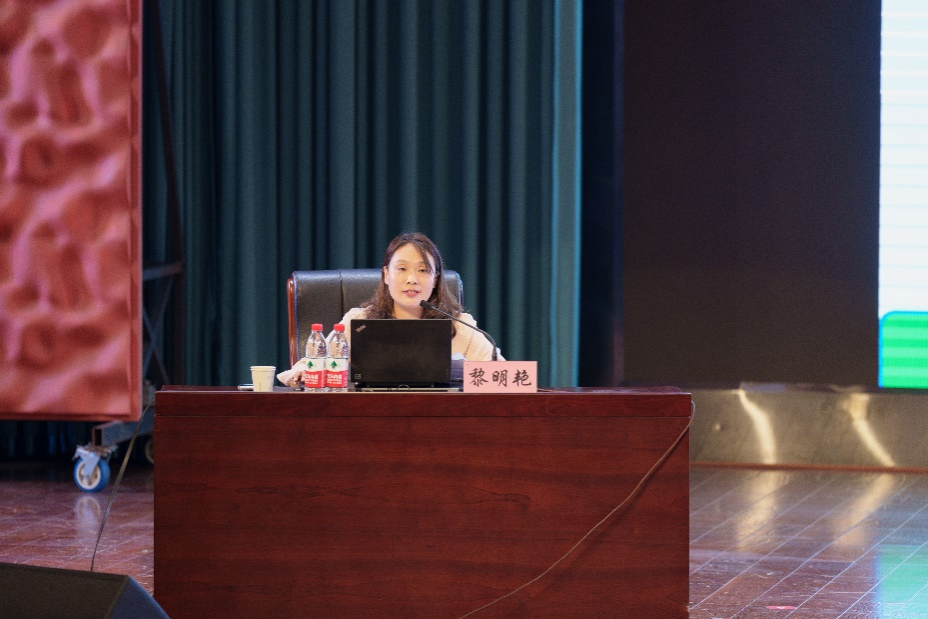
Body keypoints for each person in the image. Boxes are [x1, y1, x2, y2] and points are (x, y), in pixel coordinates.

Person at [278, 232, 501, 387]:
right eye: (402, 269)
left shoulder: (459, 325)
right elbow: (301, 370)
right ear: (386, 275)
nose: (412, 279)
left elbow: (502, 376)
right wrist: (302, 375)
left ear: (435, 280)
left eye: (423, 270)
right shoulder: (359, 320)